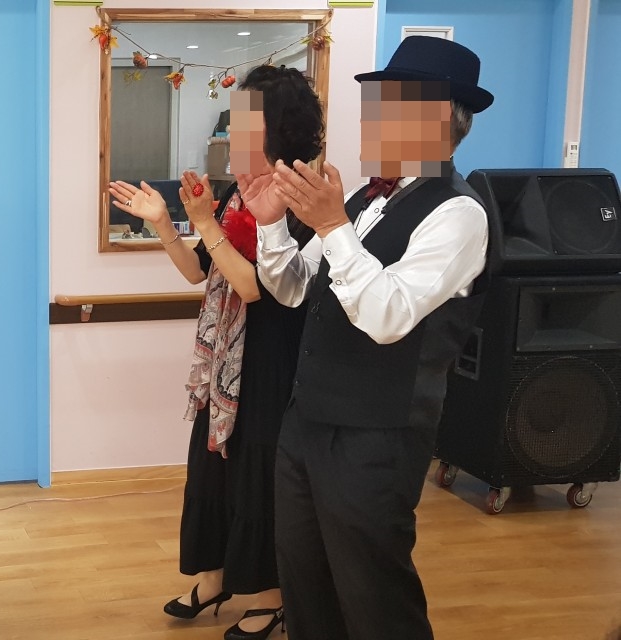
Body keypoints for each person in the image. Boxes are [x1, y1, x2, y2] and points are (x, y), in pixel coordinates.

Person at [249, 36, 493, 639]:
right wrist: (273, 227)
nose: (366, 122)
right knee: (305, 584)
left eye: (384, 108)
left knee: (374, 596)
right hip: (308, 421)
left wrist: (333, 226)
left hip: (377, 436)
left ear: (434, 122)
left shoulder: (459, 213)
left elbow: (389, 316)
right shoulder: (362, 198)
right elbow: (295, 288)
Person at [109, 65, 322, 640]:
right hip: (224, 359)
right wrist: (165, 223)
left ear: (281, 127)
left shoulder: (301, 194)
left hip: (272, 359)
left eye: (249, 120)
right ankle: (216, 577)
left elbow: (255, 288)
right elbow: (199, 272)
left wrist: (205, 223)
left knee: (258, 473)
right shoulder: (235, 190)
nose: (234, 131)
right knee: (212, 466)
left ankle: (271, 596)